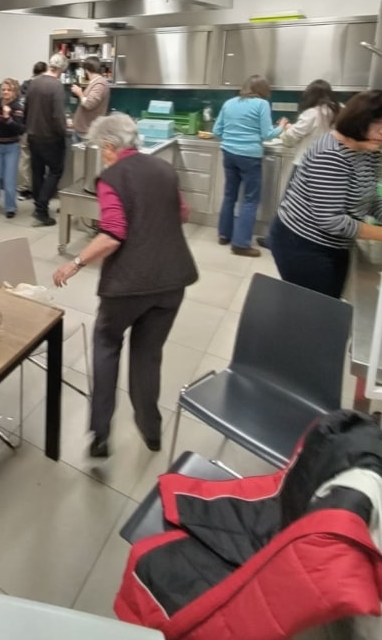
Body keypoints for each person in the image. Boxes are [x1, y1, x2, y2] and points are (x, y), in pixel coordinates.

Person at [52, 113, 197, 458]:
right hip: (171, 282)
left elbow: (113, 234)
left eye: (100, 149)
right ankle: (151, 429)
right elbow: (183, 213)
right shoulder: (163, 169)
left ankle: (101, 435)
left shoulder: (111, 178)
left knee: (106, 345)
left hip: (127, 287)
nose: (101, 155)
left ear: (109, 146)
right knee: (148, 355)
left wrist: (75, 263)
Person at [268, 90, 382, 298]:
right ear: (359, 120)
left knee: (327, 302)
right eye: (380, 126)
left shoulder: (367, 150)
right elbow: (331, 221)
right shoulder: (331, 155)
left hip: (334, 244)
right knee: (314, 306)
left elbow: (370, 197)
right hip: (302, 243)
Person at [256, 79, 340, 249]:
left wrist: (286, 129)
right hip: (331, 168)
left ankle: (274, 240)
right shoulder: (339, 112)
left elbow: (290, 138)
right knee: (316, 208)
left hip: (305, 166)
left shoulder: (312, 113)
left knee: (289, 203)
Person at [212, 75, 285, 257]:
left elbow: (216, 130)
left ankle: (224, 235)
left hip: (229, 154)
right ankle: (240, 244)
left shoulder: (229, 103)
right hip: (249, 157)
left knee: (229, 195)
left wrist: (233, 138)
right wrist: (282, 126)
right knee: (250, 200)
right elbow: (267, 134)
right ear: (263, 89)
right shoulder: (262, 104)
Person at [24, 53, 69, 227]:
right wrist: (63, 131)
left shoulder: (34, 82)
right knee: (56, 171)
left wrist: (28, 128)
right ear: (62, 69)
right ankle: (41, 209)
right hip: (51, 138)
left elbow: (26, 109)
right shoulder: (56, 86)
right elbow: (58, 115)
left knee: (37, 172)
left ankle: (38, 205)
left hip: (33, 135)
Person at [0, 78, 25, 218]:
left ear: (14, 92)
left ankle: (10, 207)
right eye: (3, 89)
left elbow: (20, 129)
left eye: (9, 90)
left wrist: (7, 117)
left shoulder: (17, 108)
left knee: (9, 181)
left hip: (11, 148)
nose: (6, 92)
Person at [18, 61, 47, 199]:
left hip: (24, 129)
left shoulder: (24, 86)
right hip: (39, 130)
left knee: (24, 160)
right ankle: (39, 190)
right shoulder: (42, 87)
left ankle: (24, 189)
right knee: (39, 161)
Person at [71, 55, 110, 141]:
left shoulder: (100, 84)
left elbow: (89, 104)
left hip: (87, 133)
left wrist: (80, 93)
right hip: (83, 131)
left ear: (86, 70)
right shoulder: (95, 82)